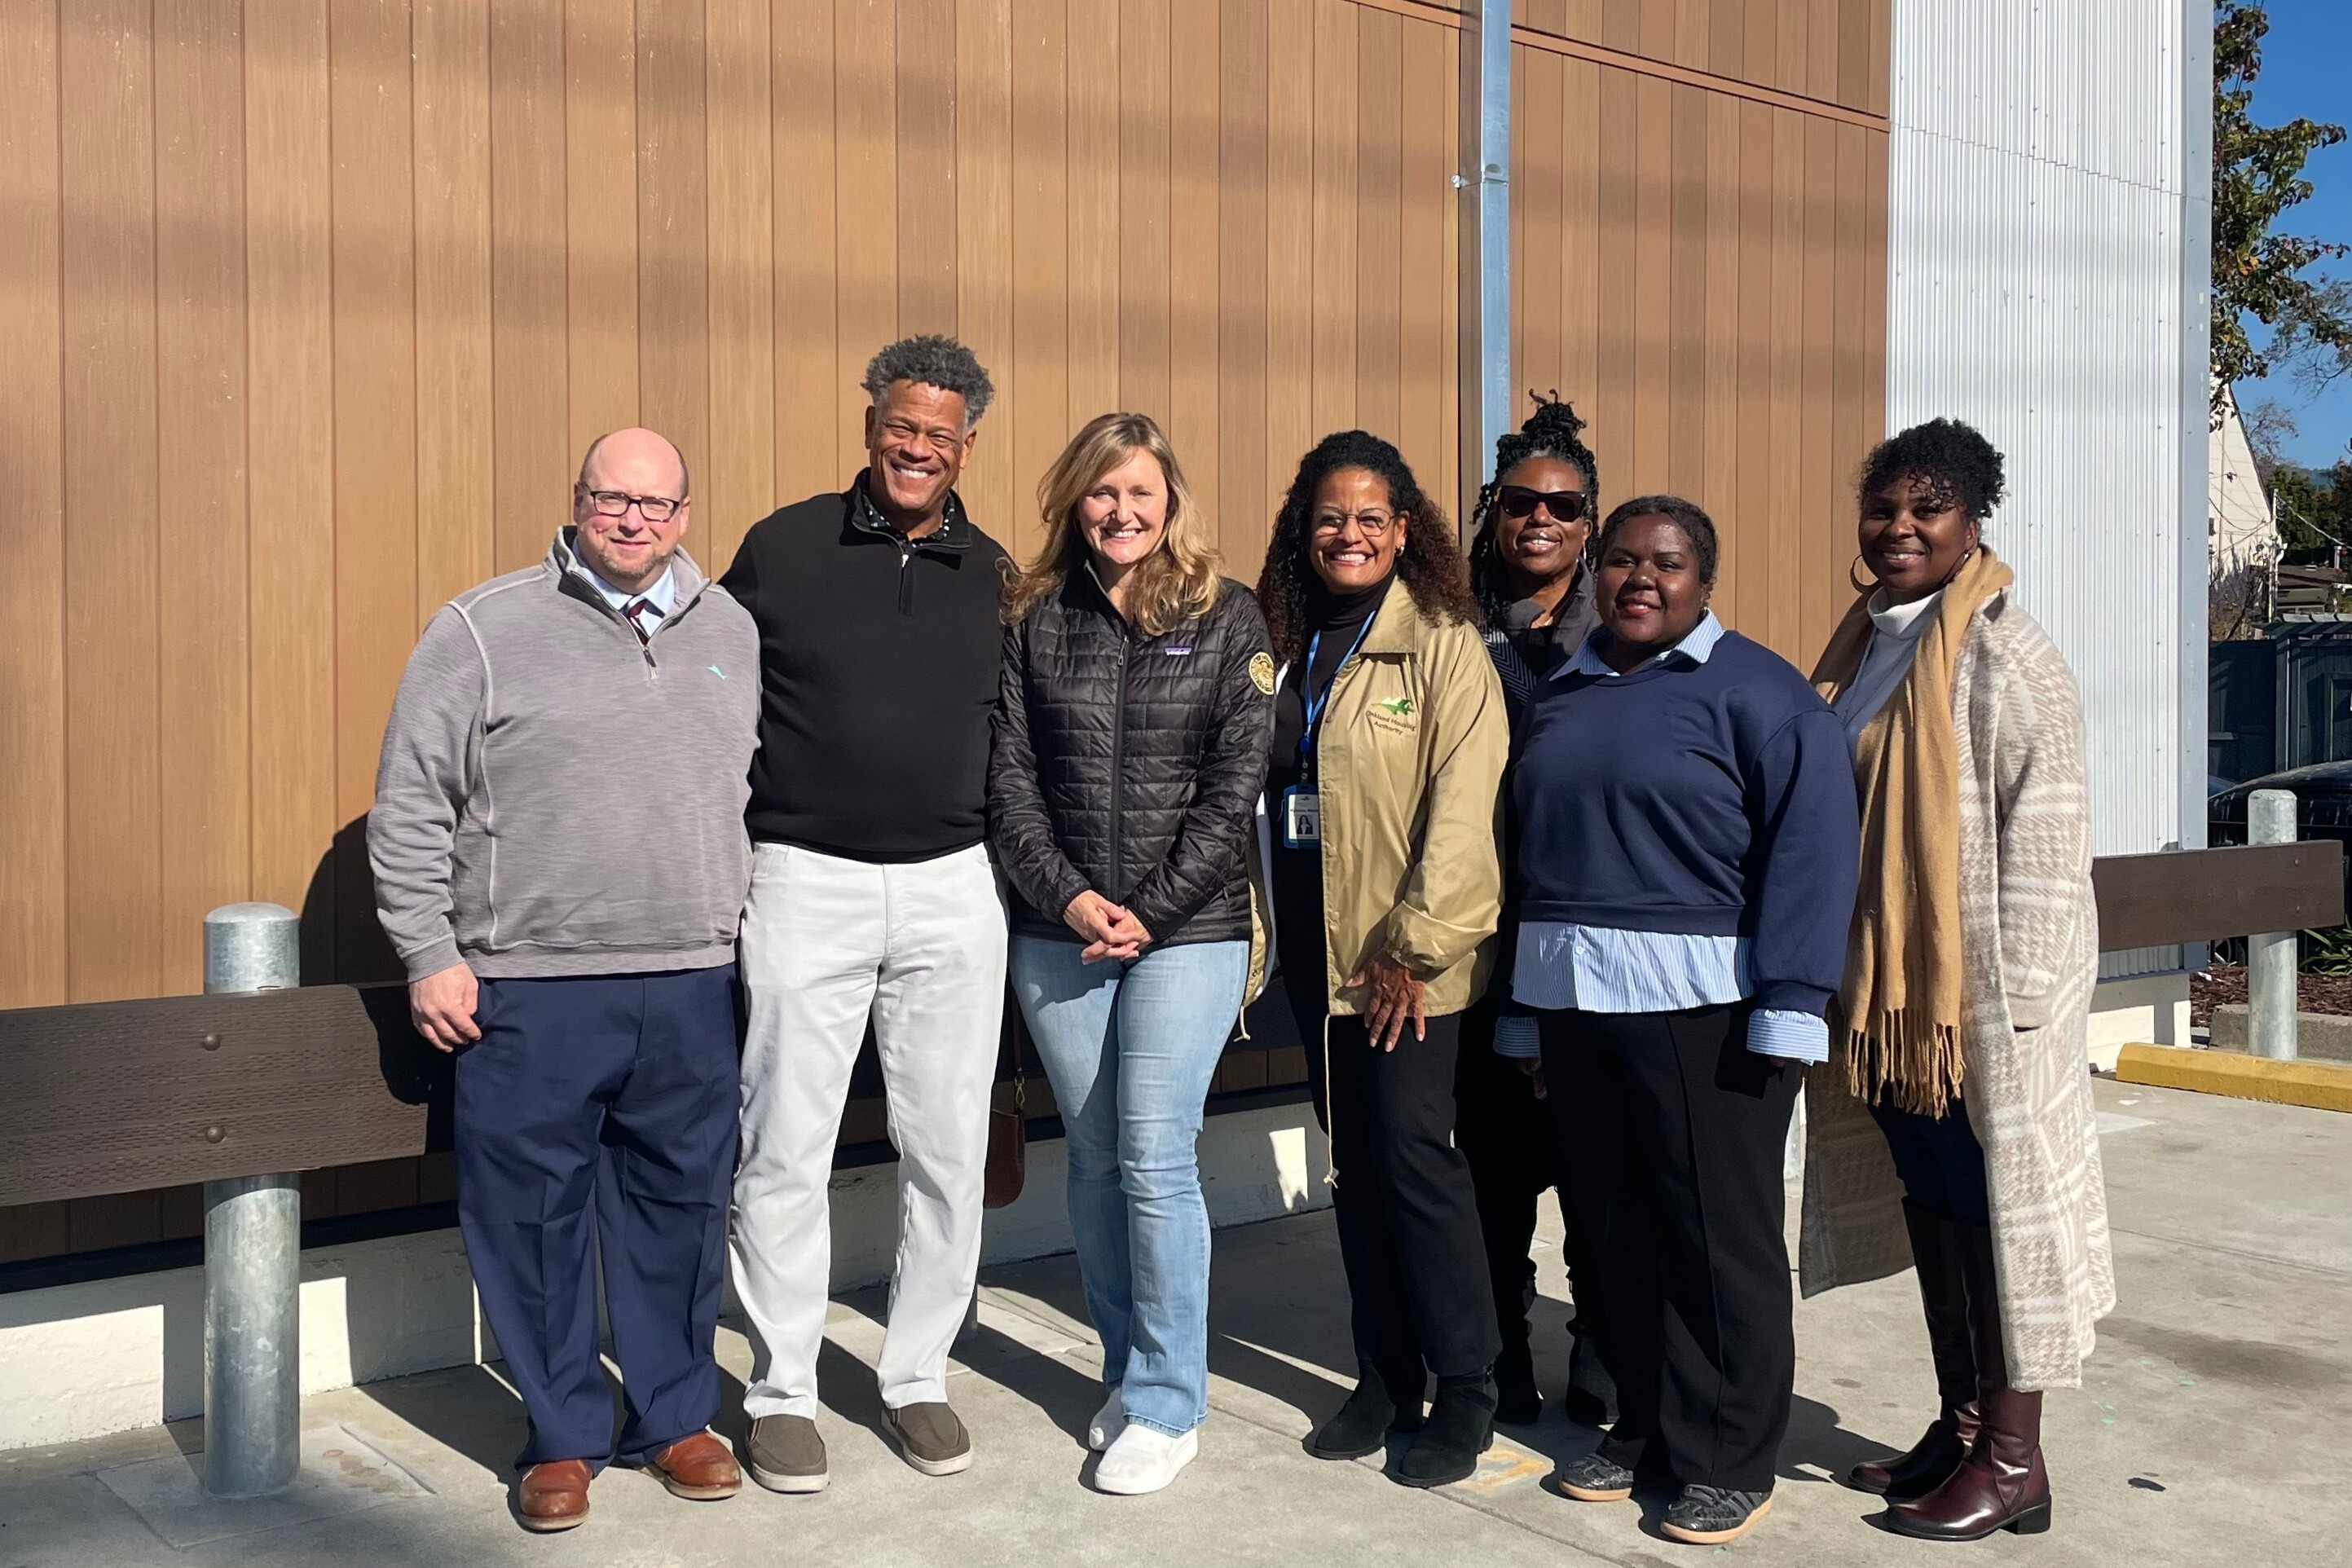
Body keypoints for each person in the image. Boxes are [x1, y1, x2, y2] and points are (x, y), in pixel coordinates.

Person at [371, 429, 756, 1532]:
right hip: (531, 987)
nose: (634, 519)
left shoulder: (729, 628)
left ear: (684, 514)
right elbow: (409, 806)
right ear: (577, 501)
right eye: (612, 498)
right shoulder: (481, 629)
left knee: (679, 1212)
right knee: (530, 1218)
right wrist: (429, 952)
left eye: (656, 503)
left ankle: (676, 1417)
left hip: (691, 980)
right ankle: (562, 1435)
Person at [1513, 496, 1859, 1546]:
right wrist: (1527, 1010)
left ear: (1704, 577)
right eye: (1619, 561)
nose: (1638, 579)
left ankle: (1729, 1454)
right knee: (1612, 1233)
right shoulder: (1562, 690)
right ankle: (1648, 1425)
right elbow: (1530, 850)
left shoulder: (1760, 691)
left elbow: (1812, 850)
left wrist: (1793, 1003)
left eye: (1664, 562)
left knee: (1718, 1240)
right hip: (1577, 1001)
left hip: (1711, 1010)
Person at [1803, 418, 2112, 1542]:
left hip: (1978, 1001)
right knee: (1935, 1206)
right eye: (1881, 507)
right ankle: (1964, 1420)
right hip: (1892, 1001)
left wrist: (2025, 1003)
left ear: (1969, 520)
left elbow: (2050, 827)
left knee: (1997, 1223)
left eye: (1923, 508)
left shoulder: (2003, 652)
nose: (1897, 527)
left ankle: (2015, 1461)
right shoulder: (1869, 641)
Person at [723, 336, 1011, 1491]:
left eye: (940, 433)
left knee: (943, 1145)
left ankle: (916, 1376)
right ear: (869, 424)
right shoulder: (780, 548)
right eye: (902, 424)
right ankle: (783, 1388)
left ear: (966, 447)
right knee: (782, 1143)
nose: (917, 447)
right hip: (803, 876)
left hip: (956, 881)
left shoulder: (999, 571)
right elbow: (711, 700)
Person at [989, 412, 1275, 1495]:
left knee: (1154, 1150)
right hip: (1058, 930)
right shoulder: (1032, 616)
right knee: (1098, 1155)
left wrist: (1145, 908)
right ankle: (1125, 1368)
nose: (1119, 513)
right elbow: (1006, 775)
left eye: (1139, 493)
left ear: (1171, 502)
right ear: (1076, 500)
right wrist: (1065, 896)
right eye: (1101, 493)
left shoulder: (1223, 614)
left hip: (1187, 931)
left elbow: (1231, 782)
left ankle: (1167, 1399)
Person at [1256, 429, 1509, 1489]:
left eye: (1368, 517)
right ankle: (1381, 1375)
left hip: (1408, 969)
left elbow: (1466, 805)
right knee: (1353, 1168)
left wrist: (1412, 947)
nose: (1347, 535)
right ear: (1301, 530)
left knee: (1416, 1168)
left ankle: (1466, 1391)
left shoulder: (1442, 642)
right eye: (1328, 517)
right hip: (1322, 962)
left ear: (1404, 530)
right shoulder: (1286, 642)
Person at [1458, 395, 1615, 1429]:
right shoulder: (1456, 630)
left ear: (1589, 520)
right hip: (1480, 943)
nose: (1541, 520)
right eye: (1522, 502)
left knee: (1602, 1174)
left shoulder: (1629, 637)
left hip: (1596, 945)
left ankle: (1601, 1351)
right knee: (1495, 1179)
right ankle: (1498, 1347)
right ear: (1495, 512)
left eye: (1562, 504)